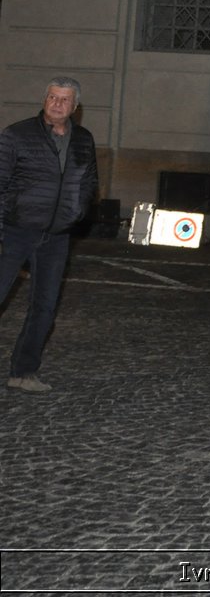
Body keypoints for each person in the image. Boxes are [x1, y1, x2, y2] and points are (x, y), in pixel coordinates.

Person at [0, 78, 98, 392]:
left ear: (75, 107)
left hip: (57, 236)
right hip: (17, 231)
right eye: (52, 97)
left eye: (65, 99)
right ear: (45, 99)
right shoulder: (17, 134)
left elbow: (89, 181)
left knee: (44, 306)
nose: (57, 103)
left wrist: (77, 212)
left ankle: (23, 372)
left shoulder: (83, 139)